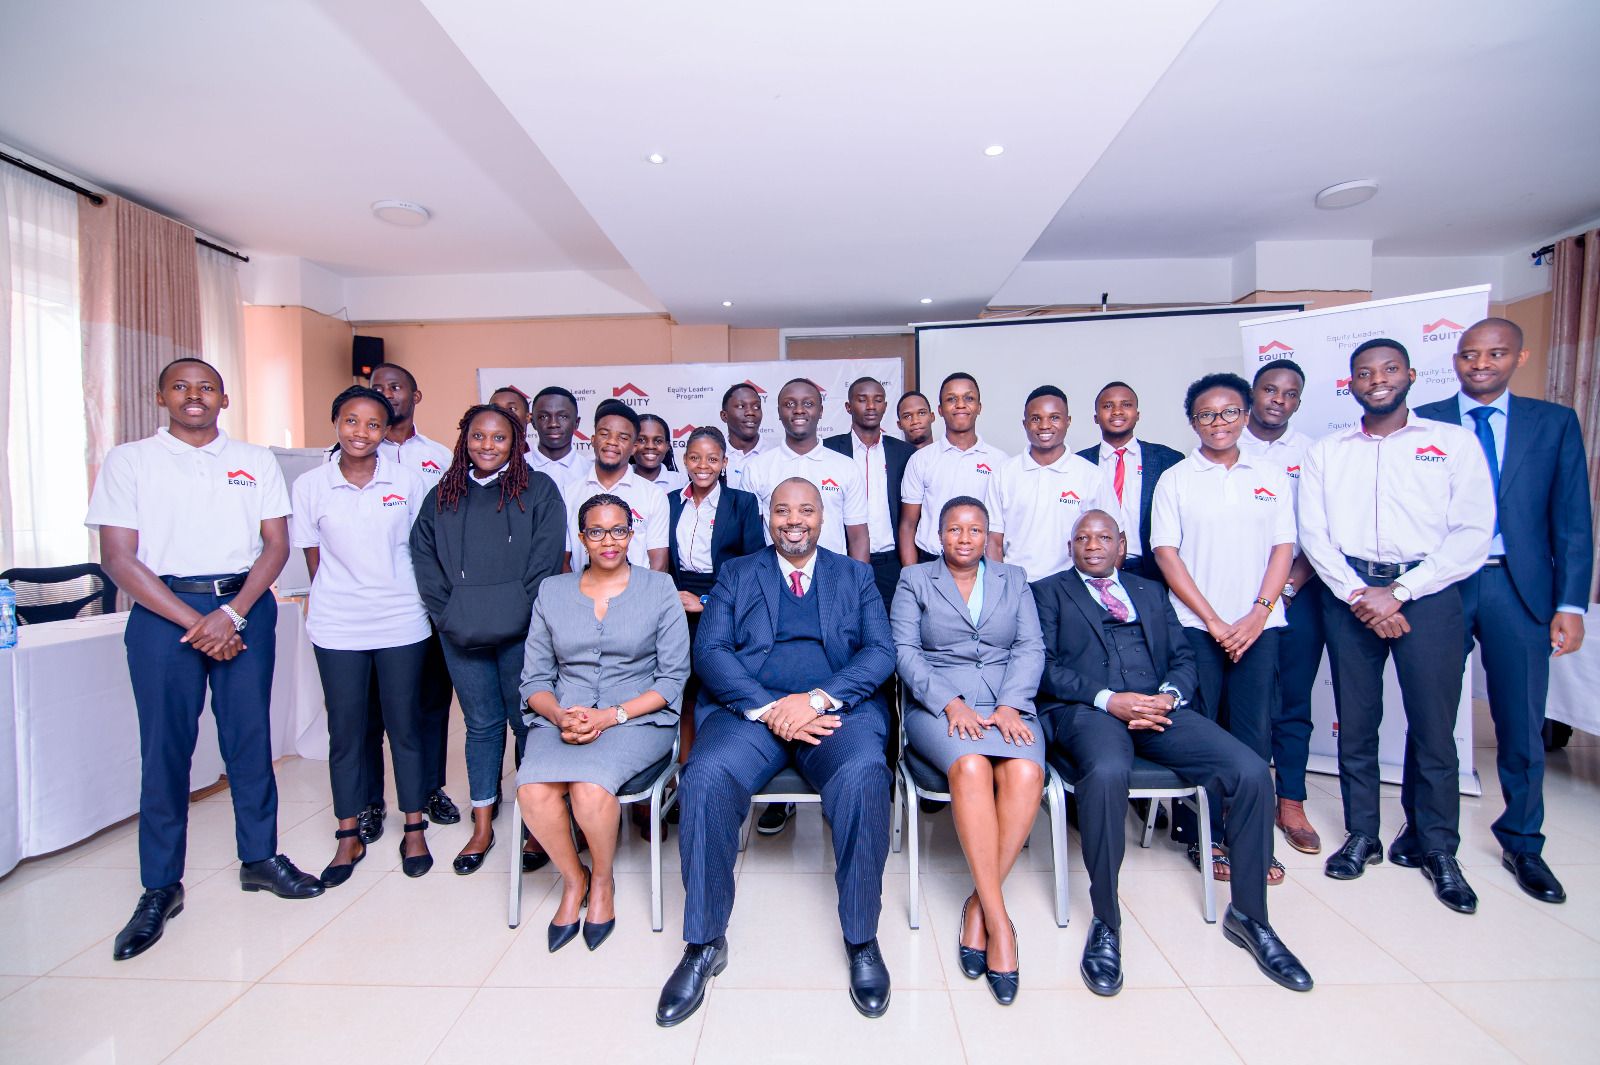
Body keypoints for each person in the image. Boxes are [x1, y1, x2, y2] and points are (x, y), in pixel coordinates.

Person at [89, 357, 323, 961]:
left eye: (206, 388)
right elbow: (119, 558)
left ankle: (261, 858)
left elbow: (276, 545)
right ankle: (160, 886)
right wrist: (200, 623)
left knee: (250, 740)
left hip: (243, 606)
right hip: (166, 616)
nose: (194, 396)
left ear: (223, 398)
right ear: (160, 394)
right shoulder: (130, 460)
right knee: (164, 749)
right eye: (181, 387)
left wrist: (234, 614)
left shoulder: (254, 460)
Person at [1035, 509, 1313, 994]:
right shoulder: (1047, 592)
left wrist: (1168, 696)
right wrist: (1110, 700)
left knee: (1249, 770)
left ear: (1122, 545)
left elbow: (1184, 658)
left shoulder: (1150, 590)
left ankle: (1249, 915)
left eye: (1104, 538)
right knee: (1105, 772)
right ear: (1071, 546)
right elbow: (1044, 666)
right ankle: (1106, 920)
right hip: (1091, 710)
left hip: (1159, 709)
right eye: (1083, 538)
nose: (1093, 546)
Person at [657, 478, 897, 1026]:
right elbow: (709, 651)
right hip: (753, 715)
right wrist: (769, 709)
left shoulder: (855, 576)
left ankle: (861, 938)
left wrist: (814, 700)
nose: (795, 520)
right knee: (705, 776)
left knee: (865, 774)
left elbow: (881, 652)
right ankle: (702, 942)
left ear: (822, 517)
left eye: (806, 510)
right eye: (783, 511)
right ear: (768, 519)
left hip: (836, 712)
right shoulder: (740, 573)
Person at [1299, 338, 1494, 913]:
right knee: (1355, 723)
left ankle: (1436, 846)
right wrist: (1362, 595)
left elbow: (1472, 532)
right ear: (1350, 384)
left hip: (1429, 594)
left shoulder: (1451, 443)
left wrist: (1401, 592)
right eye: (1364, 373)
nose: (1376, 379)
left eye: (1387, 370)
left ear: (1410, 374)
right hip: (1351, 592)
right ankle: (1363, 833)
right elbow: (1315, 533)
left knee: (1435, 726)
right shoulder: (1329, 451)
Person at [1405, 318, 1592, 903]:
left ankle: (1523, 842)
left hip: (1519, 586)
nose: (1480, 364)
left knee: (1521, 722)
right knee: (1431, 715)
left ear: (1519, 356)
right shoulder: (1423, 420)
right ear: (1454, 361)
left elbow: (1572, 518)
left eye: (1495, 354)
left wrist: (1571, 602)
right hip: (1440, 584)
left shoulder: (1553, 423)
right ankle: (1428, 832)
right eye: (1469, 355)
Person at [517, 494, 691, 952]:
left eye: (618, 530)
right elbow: (534, 678)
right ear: (582, 538)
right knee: (532, 789)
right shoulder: (552, 592)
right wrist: (557, 715)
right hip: (565, 717)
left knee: (589, 788)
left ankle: (604, 883)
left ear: (632, 534)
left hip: (636, 718)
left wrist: (610, 716)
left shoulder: (660, 589)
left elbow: (673, 678)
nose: (608, 541)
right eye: (597, 531)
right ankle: (574, 879)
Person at [891, 496, 1045, 1005]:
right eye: (953, 530)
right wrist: (950, 702)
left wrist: (1011, 704)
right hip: (940, 707)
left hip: (1008, 702)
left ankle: (979, 907)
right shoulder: (915, 580)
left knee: (1024, 773)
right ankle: (1003, 928)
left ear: (987, 536)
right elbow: (905, 653)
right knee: (973, 765)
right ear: (938, 536)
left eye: (974, 530)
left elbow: (1030, 647)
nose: (964, 538)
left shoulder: (1014, 578)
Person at [410, 404, 567, 875]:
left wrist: (517, 613)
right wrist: (449, 614)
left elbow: (546, 562)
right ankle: (483, 822)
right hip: (461, 631)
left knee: (526, 724)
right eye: (478, 436)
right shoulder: (443, 494)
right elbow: (424, 558)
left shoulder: (538, 489)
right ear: (464, 439)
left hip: (523, 633)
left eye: (499, 438)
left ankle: (538, 826)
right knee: (480, 724)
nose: (488, 446)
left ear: (517, 442)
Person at [1151, 373, 1296, 885]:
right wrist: (1212, 620)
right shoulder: (1177, 479)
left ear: (1247, 414)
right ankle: (1202, 836)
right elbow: (1166, 553)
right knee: (1201, 732)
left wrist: (1258, 611)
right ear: (1193, 421)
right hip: (1195, 627)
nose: (1219, 423)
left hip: (1259, 626)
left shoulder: (1272, 475)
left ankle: (1252, 840)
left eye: (1230, 412)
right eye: (1207, 415)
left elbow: (1284, 548)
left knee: (1254, 733)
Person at [291, 386, 435, 885]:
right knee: (347, 732)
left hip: (401, 618)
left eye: (373, 424)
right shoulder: (310, 485)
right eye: (351, 421)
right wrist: (346, 595)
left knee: (405, 728)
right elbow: (316, 560)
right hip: (337, 623)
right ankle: (348, 834)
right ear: (336, 422)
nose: (361, 432)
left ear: (384, 431)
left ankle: (413, 826)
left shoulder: (408, 479)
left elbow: (421, 548)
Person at [364, 363, 459, 837]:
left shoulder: (439, 456)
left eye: (395, 387)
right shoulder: (348, 455)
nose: (387, 395)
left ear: (415, 396)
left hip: (428, 598)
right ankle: (368, 800)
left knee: (429, 702)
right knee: (368, 709)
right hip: (367, 601)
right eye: (377, 388)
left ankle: (428, 788)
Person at [1238, 359, 1322, 854]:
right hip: (1233, 600)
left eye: (1290, 394)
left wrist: (1287, 587)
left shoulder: (1312, 454)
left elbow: (1318, 530)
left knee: (1293, 702)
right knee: (1240, 703)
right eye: (1270, 390)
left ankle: (1290, 801)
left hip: (1297, 594)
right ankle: (1241, 798)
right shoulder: (1222, 442)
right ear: (1253, 393)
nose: (1278, 400)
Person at [741, 378, 871, 563]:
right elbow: (751, 539)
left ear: (821, 411)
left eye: (808, 403)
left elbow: (858, 536)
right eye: (789, 404)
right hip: (775, 578)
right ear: (779, 412)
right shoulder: (757, 468)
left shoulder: (845, 466)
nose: (799, 410)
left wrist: (857, 585)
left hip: (833, 578)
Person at [991, 385, 1110, 583]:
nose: (1045, 425)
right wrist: (1003, 588)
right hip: (1018, 585)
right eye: (1036, 418)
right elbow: (994, 542)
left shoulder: (1092, 475)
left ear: (1068, 421)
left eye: (1054, 417)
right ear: (1024, 423)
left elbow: (1111, 540)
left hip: (1074, 587)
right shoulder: (1004, 474)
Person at [1076, 382, 1183, 586]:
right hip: (1092, 570)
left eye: (1126, 405)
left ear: (1137, 414)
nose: (1117, 411)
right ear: (1096, 417)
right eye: (1108, 406)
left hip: (1153, 571)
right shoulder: (1078, 463)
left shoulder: (1168, 460)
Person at [898, 373, 1009, 567]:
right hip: (931, 562)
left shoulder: (1000, 461)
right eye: (951, 399)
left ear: (979, 407)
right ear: (940, 410)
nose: (960, 404)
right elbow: (908, 526)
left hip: (983, 565)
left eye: (968, 398)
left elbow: (1002, 529)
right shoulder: (920, 460)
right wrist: (911, 576)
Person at [825, 376, 917, 610]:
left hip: (891, 564)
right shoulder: (828, 450)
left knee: (893, 635)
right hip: (843, 562)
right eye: (862, 400)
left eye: (878, 400)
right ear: (848, 406)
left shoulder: (905, 453)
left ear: (885, 406)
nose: (871, 406)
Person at [561, 399, 670, 572]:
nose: (612, 442)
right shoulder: (569, 493)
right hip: (582, 593)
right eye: (605, 434)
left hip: (637, 595)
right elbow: (563, 560)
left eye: (623, 437)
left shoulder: (653, 494)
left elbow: (659, 562)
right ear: (593, 439)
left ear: (634, 447)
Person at [529, 385, 588, 492]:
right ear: (533, 423)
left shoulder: (591, 471)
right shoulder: (515, 468)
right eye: (544, 417)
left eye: (562, 416)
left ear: (576, 422)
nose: (553, 424)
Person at [718, 381, 768, 490]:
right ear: (724, 416)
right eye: (741, 406)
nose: (750, 412)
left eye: (756, 407)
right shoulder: (714, 457)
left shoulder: (774, 455)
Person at [633, 412, 690, 495]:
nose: (650, 446)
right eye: (642, 440)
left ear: (667, 446)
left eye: (658, 441)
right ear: (632, 444)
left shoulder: (682, 482)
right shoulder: (620, 481)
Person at [490, 385, 534, 454]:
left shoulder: (534, 463)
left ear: (528, 417)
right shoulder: (483, 460)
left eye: (511, 409)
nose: (503, 413)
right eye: (496, 408)